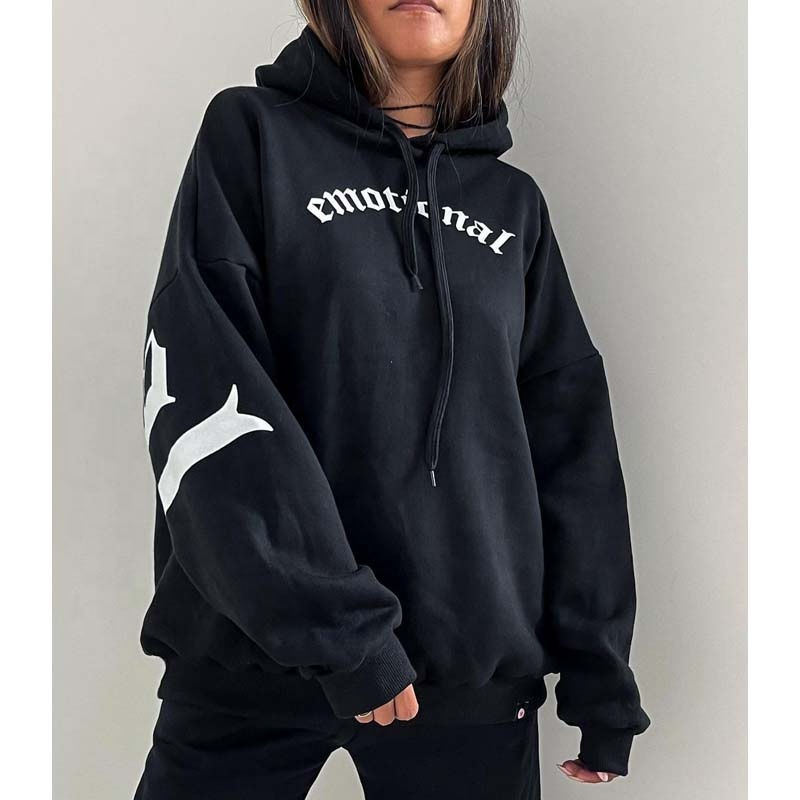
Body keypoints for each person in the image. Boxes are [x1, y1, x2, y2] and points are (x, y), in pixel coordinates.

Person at [134, 1, 649, 797]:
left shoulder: (513, 206)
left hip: (467, 675)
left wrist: (600, 673)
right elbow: (206, 388)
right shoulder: (252, 135)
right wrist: (342, 632)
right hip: (253, 660)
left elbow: (569, 438)